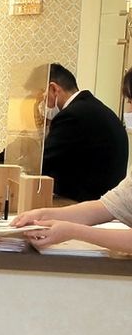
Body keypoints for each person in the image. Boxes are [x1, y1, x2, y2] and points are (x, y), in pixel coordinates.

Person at [15, 66, 132, 253]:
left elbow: (42, 160)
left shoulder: (75, 114)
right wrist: (44, 214)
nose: (129, 109)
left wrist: (72, 231)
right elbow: (107, 206)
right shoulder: (89, 109)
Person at [38, 63, 127, 203]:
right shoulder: (92, 108)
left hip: (84, 202)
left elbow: (41, 162)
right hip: (105, 200)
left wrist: (4, 162)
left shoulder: (72, 116)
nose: (42, 105)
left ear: (54, 89)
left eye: (43, 98)